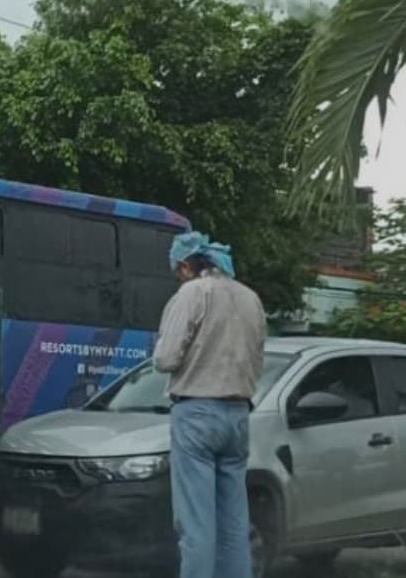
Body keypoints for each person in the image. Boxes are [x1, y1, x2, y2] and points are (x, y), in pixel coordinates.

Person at [153, 231, 266, 578]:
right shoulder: (250, 298)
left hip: (197, 414)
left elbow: (166, 358)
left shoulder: (193, 293)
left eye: (177, 271)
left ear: (186, 265)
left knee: (196, 525)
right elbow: (258, 357)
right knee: (234, 523)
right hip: (238, 414)